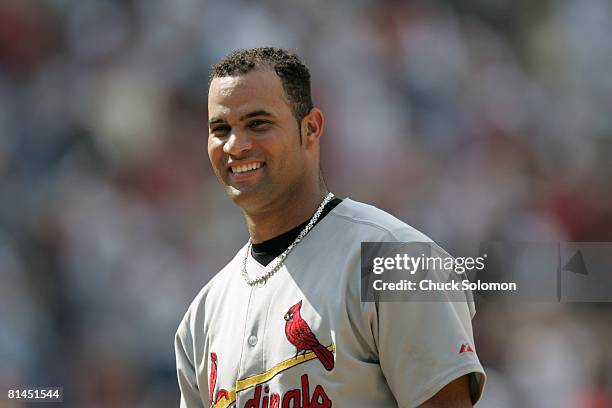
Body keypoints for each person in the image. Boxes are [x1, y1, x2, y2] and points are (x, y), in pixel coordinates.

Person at [175, 47, 486, 408]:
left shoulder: (397, 261)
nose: (236, 145)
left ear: (310, 128)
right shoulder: (202, 316)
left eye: (258, 123)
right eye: (220, 129)